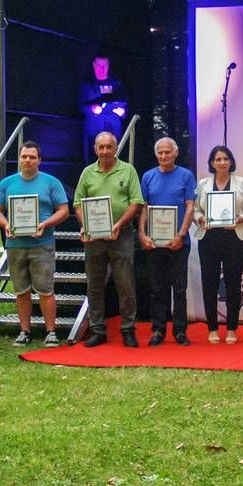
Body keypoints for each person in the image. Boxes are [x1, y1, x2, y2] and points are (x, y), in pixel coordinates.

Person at [0, 141, 70, 349]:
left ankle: (50, 332)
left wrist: (45, 223)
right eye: (24, 156)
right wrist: (6, 224)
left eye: (32, 157)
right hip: (15, 244)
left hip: (42, 243)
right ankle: (24, 331)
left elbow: (63, 210)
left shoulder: (51, 183)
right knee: (21, 291)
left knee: (45, 290)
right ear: (19, 158)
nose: (27, 160)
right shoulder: (7, 184)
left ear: (39, 160)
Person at [74, 131, 144, 347]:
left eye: (109, 147)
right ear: (95, 149)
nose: (105, 151)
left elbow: (136, 202)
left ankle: (128, 329)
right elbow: (78, 202)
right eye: (101, 147)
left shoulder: (128, 170)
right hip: (94, 237)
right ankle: (97, 330)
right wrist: (86, 225)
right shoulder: (87, 173)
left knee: (125, 284)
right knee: (94, 285)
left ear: (115, 149)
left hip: (121, 235)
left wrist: (119, 224)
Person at [192, 145, 243, 344]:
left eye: (225, 159)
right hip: (209, 238)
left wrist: (240, 219)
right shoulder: (203, 184)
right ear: (211, 163)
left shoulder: (242, 183)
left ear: (231, 161)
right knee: (209, 283)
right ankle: (212, 328)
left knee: (233, 283)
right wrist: (201, 219)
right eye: (217, 159)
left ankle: (231, 329)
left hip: (234, 238)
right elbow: (195, 210)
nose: (222, 162)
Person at [140, 137, 197, 346]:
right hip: (154, 243)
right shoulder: (148, 177)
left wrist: (181, 235)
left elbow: (190, 207)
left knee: (179, 289)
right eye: (160, 153)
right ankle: (158, 330)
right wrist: (142, 234)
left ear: (175, 153)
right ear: (156, 155)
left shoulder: (186, 176)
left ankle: (180, 331)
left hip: (179, 242)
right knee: (157, 288)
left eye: (167, 152)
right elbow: (144, 207)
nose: (164, 156)